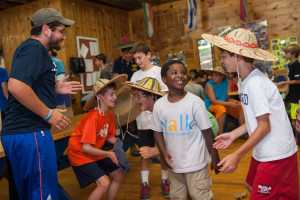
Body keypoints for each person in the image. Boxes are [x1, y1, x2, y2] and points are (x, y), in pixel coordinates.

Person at [202, 28, 299, 199]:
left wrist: (237, 154)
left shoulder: (255, 83)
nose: (222, 61)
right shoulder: (243, 81)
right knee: (251, 184)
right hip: (264, 148)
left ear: (237, 56)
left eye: (224, 56)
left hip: (276, 152)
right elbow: (256, 120)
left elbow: (264, 126)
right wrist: (233, 134)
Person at [1, 8, 81, 200]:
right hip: (30, 133)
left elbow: (27, 85)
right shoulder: (35, 49)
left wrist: (54, 88)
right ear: (46, 29)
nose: (63, 37)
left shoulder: (33, 50)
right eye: (61, 31)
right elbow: (16, 86)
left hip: (23, 133)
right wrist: (48, 113)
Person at [152, 60, 220, 200]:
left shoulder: (195, 102)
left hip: (196, 163)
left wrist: (215, 157)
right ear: (164, 79)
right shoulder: (159, 105)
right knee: (177, 196)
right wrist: (164, 155)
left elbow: (207, 132)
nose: (180, 76)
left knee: (200, 195)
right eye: (174, 73)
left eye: (183, 73)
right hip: (174, 164)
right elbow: (157, 132)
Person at [68, 75, 127, 200]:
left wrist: (117, 142)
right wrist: (109, 154)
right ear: (100, 96)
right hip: (80, 154)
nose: (115, 97)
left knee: (119, 176)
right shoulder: (92, 117)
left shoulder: (109, 114)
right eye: (111, 94)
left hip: (93, 152)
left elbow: (108, 137)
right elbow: (86, 148)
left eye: (115, 93)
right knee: (104, 183)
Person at [130, 41, 169, 199]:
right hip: (142, 121)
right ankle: (144, 183)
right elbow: (134, 98)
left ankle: (165, 180)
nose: (138, 61)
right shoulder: (135, 76)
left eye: (140, 58)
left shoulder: (159, 72)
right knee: (145, 153)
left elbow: (166, 95)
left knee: (162, 152)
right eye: (135, 59)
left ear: (148, 55)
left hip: (159, 121)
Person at [112, 36, 140, 156]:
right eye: (125, 52)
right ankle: (131, 144)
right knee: (125, 119)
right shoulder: (118, 61)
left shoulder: (137, 60)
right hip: (124, 93)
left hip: (137, 92)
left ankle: (140, 142)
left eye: (130, 52)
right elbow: (115, 77)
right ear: (122, 52)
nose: (128, 55)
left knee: (138, 119)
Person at [204, 66, 245, 135]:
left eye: (216, 75)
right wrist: (229, 104)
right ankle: (219, 134)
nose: (213, 77)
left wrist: (233, 101)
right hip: (211, 105)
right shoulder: (209, 84)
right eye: (212, 75)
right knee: (221, 109)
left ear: (222, 76)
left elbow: (228, 98)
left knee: (241, 105)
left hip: (224, 103)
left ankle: (242, 132)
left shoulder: (227, 82)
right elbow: (213, 101)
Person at [277, 44, 300, 129]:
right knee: (293, 114)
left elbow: (298, 80)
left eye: (286, 53)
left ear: (293, 54)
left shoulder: (297, 65)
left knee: (295, 115)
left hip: (297, 95)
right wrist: (287, 88)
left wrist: (284, 82)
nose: (284, 55)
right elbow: (291, 79)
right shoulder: (290, 65)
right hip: (292, 93)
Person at [49, 49, 74, 117]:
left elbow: (60, 83)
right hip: (49, 102)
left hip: (60, 102)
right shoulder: (43, 63)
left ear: (50, 52)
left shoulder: (57, 62)